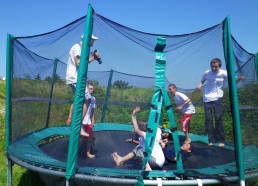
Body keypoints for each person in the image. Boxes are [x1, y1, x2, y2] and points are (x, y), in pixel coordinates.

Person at [197, 58, 245, 147]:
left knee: (218, 118)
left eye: (216, 67)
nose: (214, 68)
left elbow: (233, 80)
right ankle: (211, 139)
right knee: (208, 119)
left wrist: (239, 79)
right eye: (212, 67)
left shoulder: (223, 73)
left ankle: (220, 139)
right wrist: (199, 85)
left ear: (219, 66)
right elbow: (202, 80)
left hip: (218, 97)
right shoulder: (207, 72)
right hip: (207, 98)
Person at [111, 106, 165, 171]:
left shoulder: (147, 135)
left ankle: (148, 168)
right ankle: (121, 160)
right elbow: (156, 125)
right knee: (139, 147)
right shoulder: (157, 131)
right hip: (160, 162)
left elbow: (137, 130)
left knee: (140, 149)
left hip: (155, 162)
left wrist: (133, 115)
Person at [66, 34, 100, 125]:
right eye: (92, 40)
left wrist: (93, 57)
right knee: (87, 99)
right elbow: (78, 63)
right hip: (74, 78)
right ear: (87, 39)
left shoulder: (83, 49)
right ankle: (79, 125)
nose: (93, 42)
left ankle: (72, 121)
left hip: (75, 78)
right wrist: (92, 58)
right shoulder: (77, 47)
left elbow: (83, 62)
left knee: (79, 99)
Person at [80, 83, 96, 158]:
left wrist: (93, 120)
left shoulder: (93, 99)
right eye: (90, 88)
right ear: (87, 89)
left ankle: (88, 152)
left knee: (90, 137)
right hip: (81, 121)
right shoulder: (82, 97)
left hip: (88, 121)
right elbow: (73, 106)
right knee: (78, 137)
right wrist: (70, 118)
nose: (92, 90)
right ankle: (75, 152)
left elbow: (92, 110)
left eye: (92, 89)